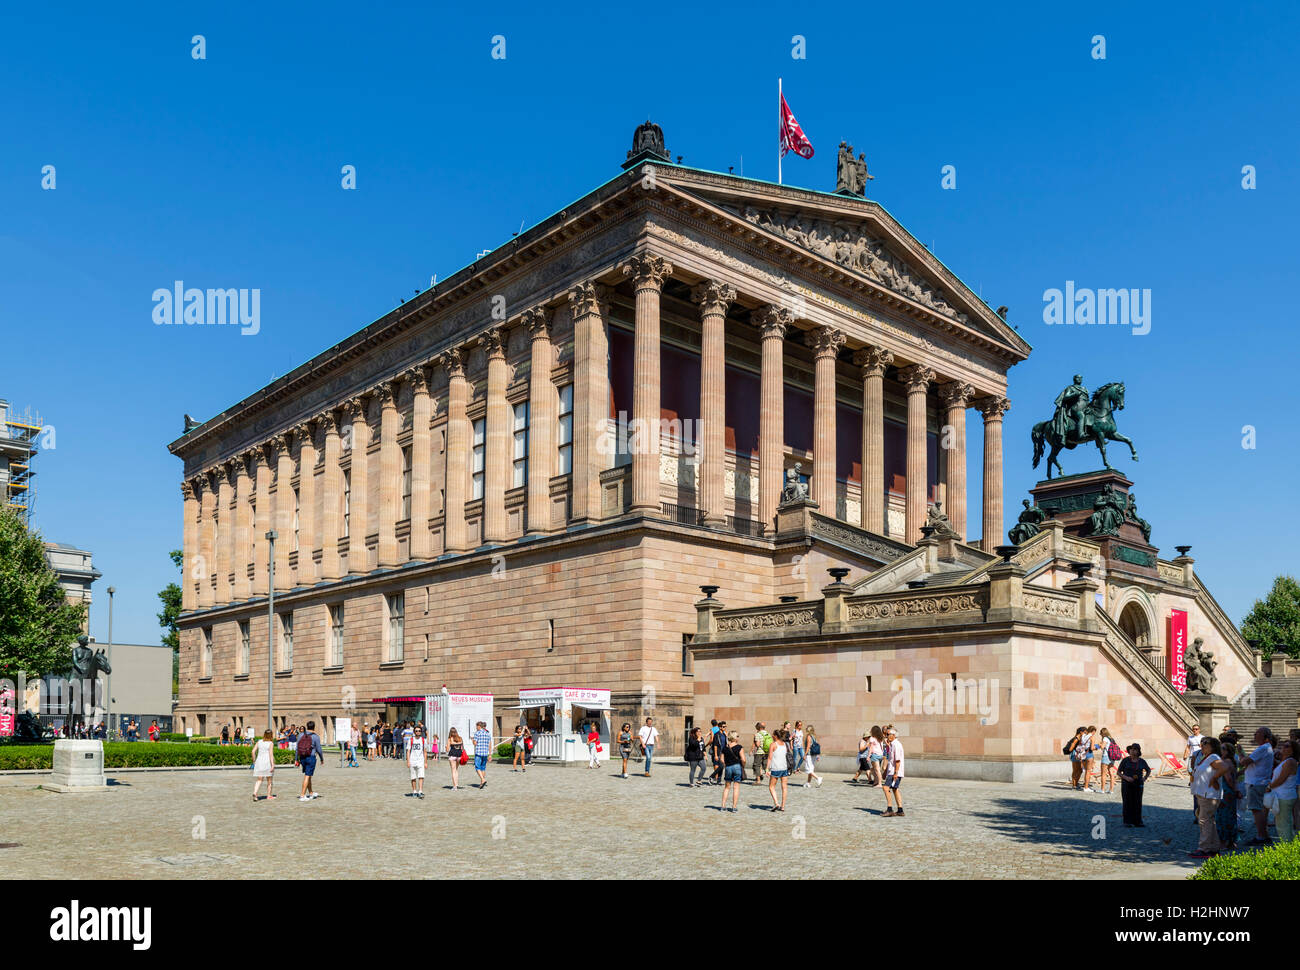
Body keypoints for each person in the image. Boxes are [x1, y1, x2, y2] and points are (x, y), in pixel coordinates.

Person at [1189, 737, 1232, 858]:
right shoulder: (1205, 757)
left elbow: (1224, 767)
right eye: (1201, 743)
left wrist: (1214, 778)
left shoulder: (1213, 757)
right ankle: (1213, 847)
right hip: (1203, 793)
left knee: (1204, 821)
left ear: (1213, 746)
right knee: (1209, 821)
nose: (1202, 745)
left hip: (1208, 794)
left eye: (1205, 744)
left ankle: (1204, 848)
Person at [1241, 727, 1276, 846]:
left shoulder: (1263, 748)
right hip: (1258, 782)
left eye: (1257, 733)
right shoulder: (1266, 748)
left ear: (1265, 736)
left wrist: (1240, 753)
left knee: (1256, 810)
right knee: (1258, 809)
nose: (1254, 734)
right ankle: (1263, 834)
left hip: (1255, 783)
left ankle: (1261, 836)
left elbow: (1245, 761)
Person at [1265, 738, 1298, 843]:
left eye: (1287, 746)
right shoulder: (1286, 761)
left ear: (1293, 750)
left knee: (1283, 824)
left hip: (1284, 796)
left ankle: (1287, 848)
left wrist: (1269, 787)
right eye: (1283, 745)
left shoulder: (1290, 762)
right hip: (1283, 795)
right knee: (1284, 822)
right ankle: (1289, 846)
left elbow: (1281, 780)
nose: (1283, 747)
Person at [1116, 743, 1151, 826]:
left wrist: (1145, 778)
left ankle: (1138, 821)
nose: (1132, 751)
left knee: (1138, 802)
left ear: (1138, 751)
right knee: (1127, 802)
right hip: (1127, 783)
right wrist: (1126, 777)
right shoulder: (1125, 760)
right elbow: (1118, 772)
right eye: (1131, 749)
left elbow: (1148, 770)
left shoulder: (1142, 761)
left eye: (1135, 749)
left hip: (1138, 783)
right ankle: (1127, 821)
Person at [1215, 742, 1241, 850]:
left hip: (1225, 791)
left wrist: (1234, 789)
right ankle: (1232, 841)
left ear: (1228, 751)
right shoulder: (1232, 762)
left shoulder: (1225, 762)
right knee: (1231, 816)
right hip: (1230, 791)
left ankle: (1223, 842)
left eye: (1223, 749)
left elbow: (1229, 779)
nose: (1221, 750)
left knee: (1222, 817)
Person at [297, 720, 324, 802]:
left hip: (302, 757)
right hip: (311, 757)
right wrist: (322, 758)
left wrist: (296, 759)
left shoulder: (301, 735)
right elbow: (319, 749)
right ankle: (302, 795)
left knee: (308, 775)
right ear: (314, 727)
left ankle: (311, 793)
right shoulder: (316, 736)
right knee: (307, 776)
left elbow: (297, 748)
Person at [882, 727, 905, 817]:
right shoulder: (892, 744)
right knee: (895, 789)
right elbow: (891, 760)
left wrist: (895, 773)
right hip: (892, 771)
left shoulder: (896, 745)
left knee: (885, 788)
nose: (886, 736)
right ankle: (900, 810)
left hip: (895, 772)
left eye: (888, 734)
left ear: (893, 735)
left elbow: (897, 760)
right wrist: (885, 772)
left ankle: (889, 809)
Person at [720, 730, 745, 812]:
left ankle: (723, 806)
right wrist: (743, 766)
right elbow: (743, 759)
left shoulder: (725, 747)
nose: (738, 738)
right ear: (734, 738)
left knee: (727, 787)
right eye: (737, 736)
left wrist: (726, 765)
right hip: (737, 766)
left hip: (728, 767)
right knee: (736, 787)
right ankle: (734, 807)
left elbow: (722, 759)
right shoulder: (739, 747)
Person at [767, 729, 789, 811]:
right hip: (784, 768)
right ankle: (783, 806)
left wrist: (767, 769)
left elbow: (770, 758)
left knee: (771, 787)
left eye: (773, 735)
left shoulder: (773, 744)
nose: (772, 736)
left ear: (775, 736)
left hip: (776, 768)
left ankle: (776, 803)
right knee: (784, 788)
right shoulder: (785, 744)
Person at [251, 729, 276, 801]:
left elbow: (253, 751)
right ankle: (269, 795)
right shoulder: (270, 743)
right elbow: (271, 755)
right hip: (267, 762)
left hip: (259, 762)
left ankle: (255, 792)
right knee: (269, 780)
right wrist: (273, 765)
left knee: (259, 779)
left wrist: (254, 761)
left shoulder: (259, 741)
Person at [407, 724, 428, 798]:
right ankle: (414, 791)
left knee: (421, 776)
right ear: (414, 732)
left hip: (420, 760)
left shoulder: (423, 740)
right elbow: (408, 751)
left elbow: (425, 751)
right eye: (416, 731)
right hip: (412, 760)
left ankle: (420, 791)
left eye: (419, 731)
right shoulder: (411, 740)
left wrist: (426, 762)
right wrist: (408, 761)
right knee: (413, 777)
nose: (418, 732)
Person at [1097, 727, 1120, 795]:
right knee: (1111, 773)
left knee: (1103, 773)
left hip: (1106, 756)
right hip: (1112, 757)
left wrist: (1099, 744)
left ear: (1103, 733)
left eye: (1100, 733)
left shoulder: (1105, 738)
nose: (1100, 734)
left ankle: (1102, 789)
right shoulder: (1111, 739)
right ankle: (1111, 790)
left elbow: (1102, 747)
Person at [472, 720, 493, 789]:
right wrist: (490, 754)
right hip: (485, 753)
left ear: (479, 726)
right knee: (483, 768)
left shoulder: (477, 733)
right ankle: (482, 783)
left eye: (476, 726)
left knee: (477, 767)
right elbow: (490, 745)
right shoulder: (488, 734)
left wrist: (472, 740)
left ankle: (483, 779)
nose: (476, 728)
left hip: (478, 752)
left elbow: (475, 743)